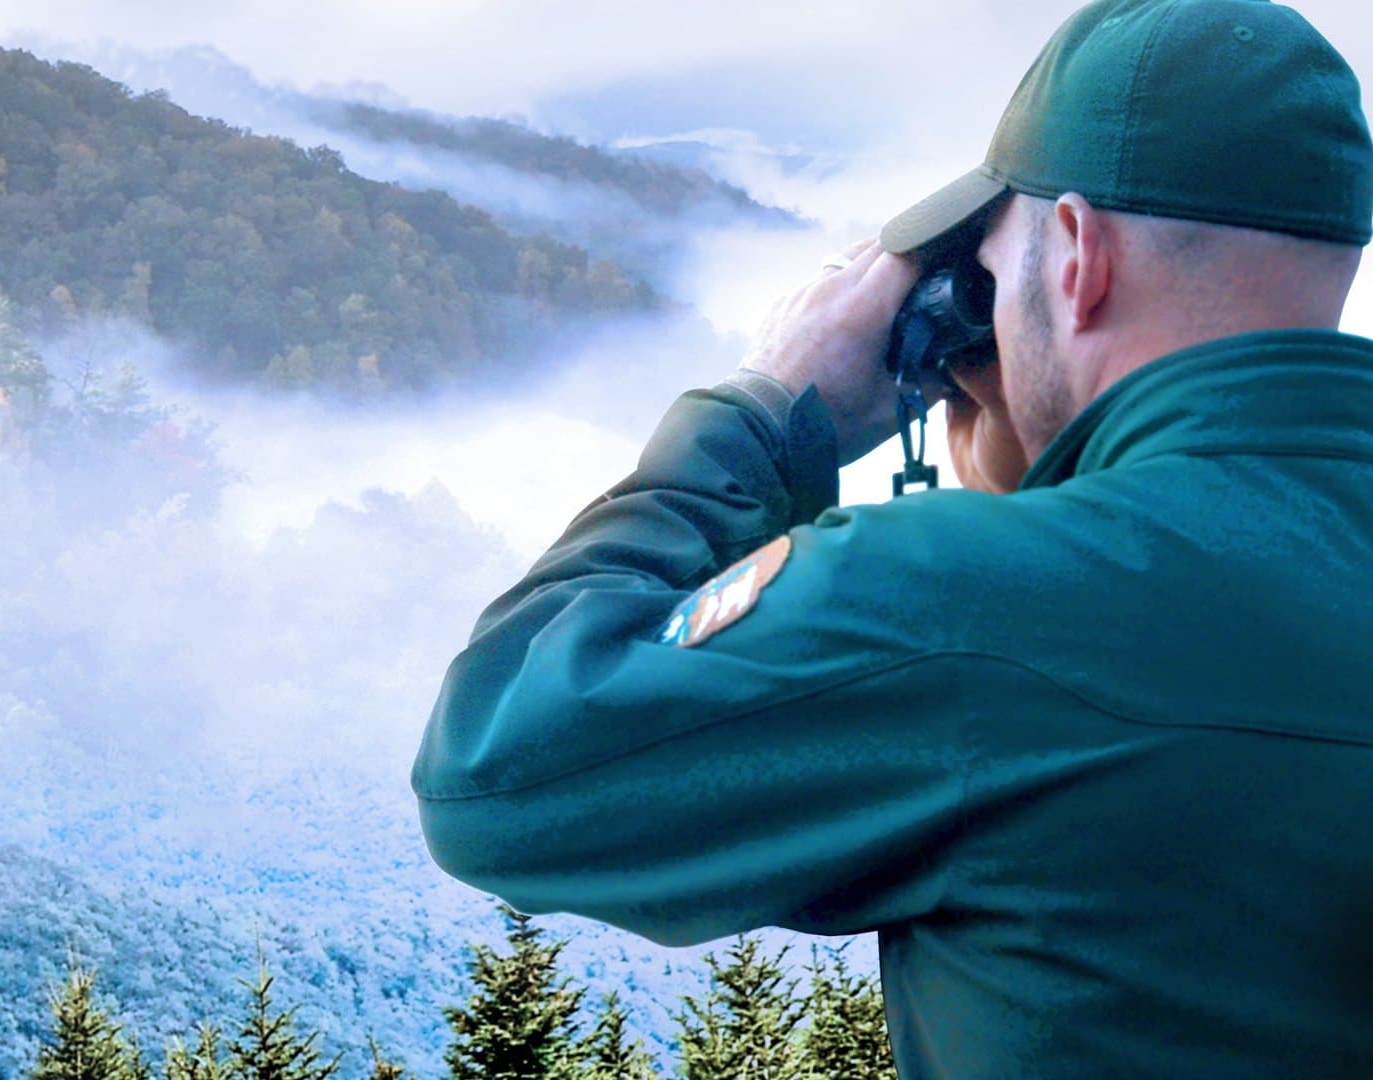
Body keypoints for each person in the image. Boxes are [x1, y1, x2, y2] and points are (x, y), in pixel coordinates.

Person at [409, 0, 1373, 1075]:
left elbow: (491, 768)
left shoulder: (970, 604)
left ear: (1075, 255)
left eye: (994, 280)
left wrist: (760, 413)